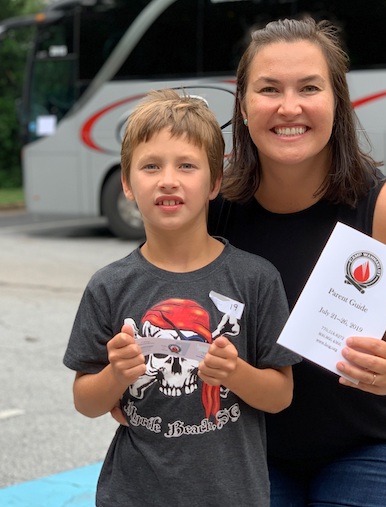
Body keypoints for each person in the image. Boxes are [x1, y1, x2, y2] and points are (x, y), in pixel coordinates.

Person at [208, 17, 386, 507]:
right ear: (244, 107)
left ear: (336, 102)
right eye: (269, 88)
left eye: (309, 88)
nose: (289, 107)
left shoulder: (384, 208)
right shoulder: (214, 208)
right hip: (255, 442)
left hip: (376, 444)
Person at [63, 88, 301, 507]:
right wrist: (116, 374)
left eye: (187, 165)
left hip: (234, 496)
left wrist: (234, 373)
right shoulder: (109, 286)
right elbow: (85, 400)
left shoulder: (256, 279)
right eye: (150, 165)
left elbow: (281, 395)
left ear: (215, 183)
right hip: (131, 495)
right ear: (127, 184)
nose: (168, 179)